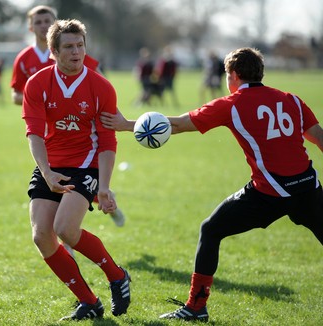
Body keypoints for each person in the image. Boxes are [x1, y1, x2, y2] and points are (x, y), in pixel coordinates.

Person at [100, 47, 323, 322]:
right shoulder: (292, 99)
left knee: (211, 229)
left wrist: (127, 124)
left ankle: (195, 307)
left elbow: (179, 124)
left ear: (234, 75)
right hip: (309, 188)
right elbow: (319, 138)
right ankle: (194, 307)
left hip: (270, 193)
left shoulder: (231, 104)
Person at [22, 19, 131, 321]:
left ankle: (116, 275)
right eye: (68, 47)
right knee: (42, 235)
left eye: (80, 45)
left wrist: (105, 186)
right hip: (49, 164)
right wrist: (46, 173)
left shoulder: (101, 87)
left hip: (86, 164)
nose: (76, 52)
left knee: (65, 229)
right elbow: (34, 133)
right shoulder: (38, 84)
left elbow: (108, 140)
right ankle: (89, 301)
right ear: (53, 51)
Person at [11, 5, 125, 228]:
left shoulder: (75, 52)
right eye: (38, 22)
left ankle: (106, 200)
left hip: (81, 135)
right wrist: (36, 99)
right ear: (30, 26)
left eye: (48, 21)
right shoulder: (24, 59)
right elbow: (16, 93)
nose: (43, 25)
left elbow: (98, 88)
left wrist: (123, 122)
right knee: (60, 194)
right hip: (49, 132)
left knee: (80, 191)